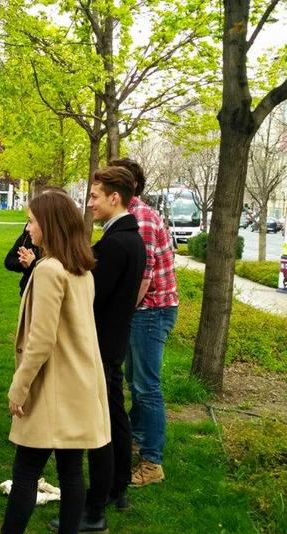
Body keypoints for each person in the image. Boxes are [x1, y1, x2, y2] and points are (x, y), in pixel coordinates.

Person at [2, 191, 110, 534]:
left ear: (48, 225)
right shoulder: (81, 268)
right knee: (71, 471)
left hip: (53, 385)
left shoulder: (49, 269)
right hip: (79, 383)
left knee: (25, 473)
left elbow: (41, 339)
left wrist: (19, 387)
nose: (28, 228)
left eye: (31, 221)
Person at [63, 167, 145, 534]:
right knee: (114, 417)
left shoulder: (117, 243)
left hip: (101, 345)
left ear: (115, 198)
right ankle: (117, 488)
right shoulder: (129, 238)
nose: (90, 203)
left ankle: (95, 508)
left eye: (95, 196)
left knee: (100, 429)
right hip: (112, 342)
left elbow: (89, 297)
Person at [110, 158, 179, 487]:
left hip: (152, 311)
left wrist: (120, 314)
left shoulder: (143, 219)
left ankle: (152, 463)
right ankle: (137, 441)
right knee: (135, 380)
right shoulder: (130, 216)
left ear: (128, 187)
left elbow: (143, 277)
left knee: (146, 387)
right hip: (143, 311)